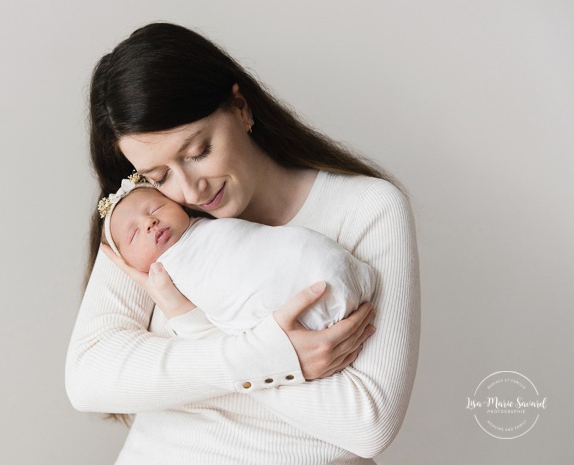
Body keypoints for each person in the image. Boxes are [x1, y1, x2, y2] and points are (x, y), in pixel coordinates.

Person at [65, 22, 420, 465]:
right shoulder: (151, 223)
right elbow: (89, 378)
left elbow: (369, 423)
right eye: (159, 176)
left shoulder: (366, 209)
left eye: (197, 152)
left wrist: (197, 337)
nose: (190, 191)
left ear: (240, 107)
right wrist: (268, 356)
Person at [99, 176, 375, 333]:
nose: (149, 223)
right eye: (134, 234)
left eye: (156, 208)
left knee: (296, 253)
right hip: (294, 317)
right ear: (127, 264)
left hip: (308, 260)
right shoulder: (165, 279)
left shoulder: (209, 224)